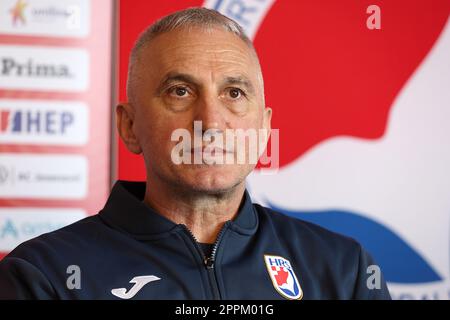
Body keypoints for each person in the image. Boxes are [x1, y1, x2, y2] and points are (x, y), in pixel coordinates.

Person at [0, 7, 390, 300]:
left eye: (234, 93)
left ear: (263, 127)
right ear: (129, 127)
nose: (211, 121)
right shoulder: (42, 276)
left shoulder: (345, 271)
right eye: (180, 91)